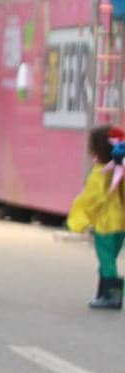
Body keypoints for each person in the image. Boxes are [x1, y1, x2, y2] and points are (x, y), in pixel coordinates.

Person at [66, 125, 125, 310]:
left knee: (106, 259)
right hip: (120, 223)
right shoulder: (120, 169)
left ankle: (111, 296)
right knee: (110, 258)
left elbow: (91, 199)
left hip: (105, 224)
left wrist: (79, 220)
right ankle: (103, 293)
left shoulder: (100, 172)